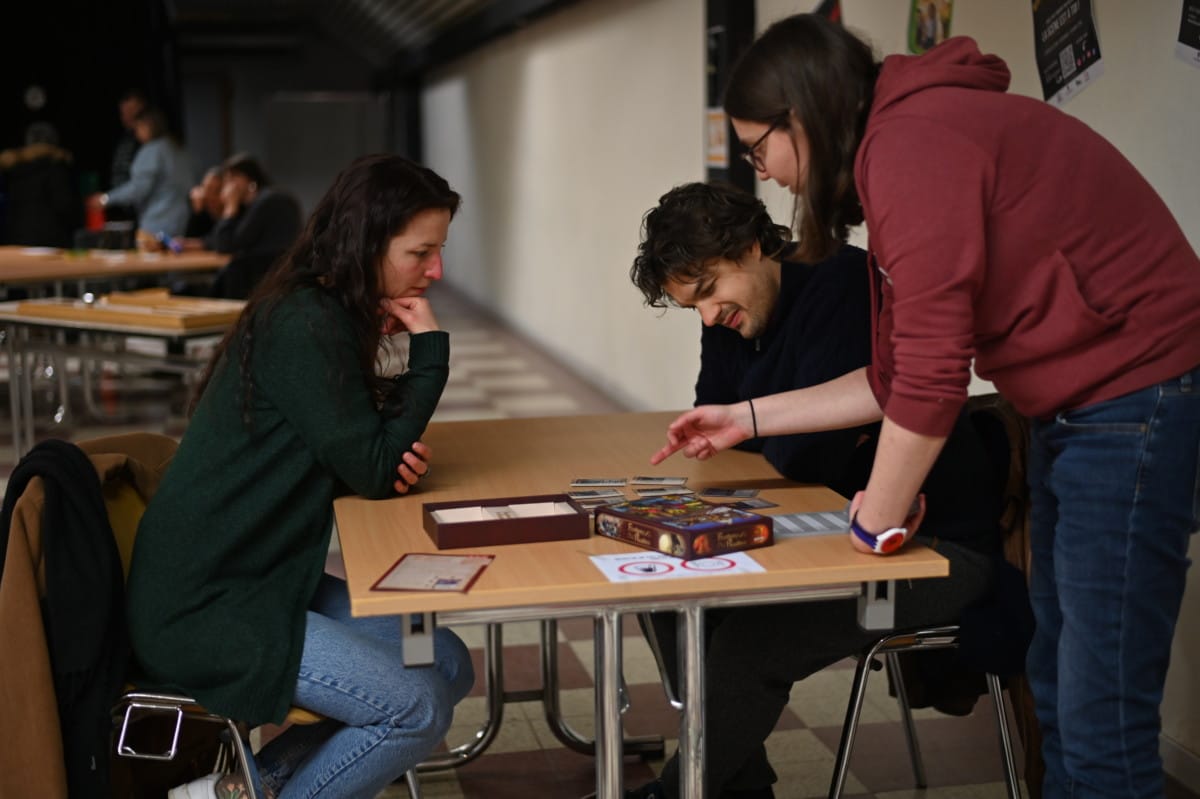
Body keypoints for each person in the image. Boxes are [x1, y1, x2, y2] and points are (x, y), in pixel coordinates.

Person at [651, 15, 1200, 799]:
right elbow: (894, 374)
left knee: (1099, 719)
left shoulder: (909, 147)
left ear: (798, 117)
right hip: (1081, 408)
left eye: (757, 148)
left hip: (1132, 396)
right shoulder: (899, 146)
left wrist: (875, 518)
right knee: (1062, 688)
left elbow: (932, 378)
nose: (761, 171)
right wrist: (747, 418)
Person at [626, 180, 1007, 799]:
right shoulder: (733, 313)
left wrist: (767, 425)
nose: (708, 315)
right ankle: (735, 789)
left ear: (752, 247)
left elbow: (804, 455)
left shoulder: (840, 283)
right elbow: (725, 416)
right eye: (692, 306)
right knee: (671, 592)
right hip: (835, 531)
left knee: (748, 643)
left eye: (709, 291)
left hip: (934, 551)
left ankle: (683, 792)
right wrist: (783, 425)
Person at [125, 153, 475, 799]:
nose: (436, 270)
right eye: (421, 252)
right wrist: (429, 354)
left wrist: (383, 451)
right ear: (367, 242)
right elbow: (374, 469)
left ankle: (242, 789)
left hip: (267, 577)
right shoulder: (304, 320)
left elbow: (361, 456)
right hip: (211, 607)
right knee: (416, 707)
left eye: (439, 251)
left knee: (445, 659)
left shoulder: (327, 310)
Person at [200, 153, 303, 298]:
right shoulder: (256, 203)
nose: (228, 187)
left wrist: (230, 207)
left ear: (249, 178)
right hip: (270, 276)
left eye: (231, 179)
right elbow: (219, 240)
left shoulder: (267, 201)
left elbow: (226, 245)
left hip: (265, 280)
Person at [91, 106, 193, 239]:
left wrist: (106, 199)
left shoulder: (152, 150)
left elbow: (139, 188)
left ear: (148, 126)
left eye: (138, 128)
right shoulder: (179, 148)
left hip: (156, 223)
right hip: (182, 222)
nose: (136, 133)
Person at [0, 121, 78, 248]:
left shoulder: (13, 169)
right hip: (51, 241)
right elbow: (64, 205)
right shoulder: (55, 168)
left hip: (16, 239)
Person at [180, 165, 225, 242]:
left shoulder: (233, 216)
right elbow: (188, 240)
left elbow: (220, 242)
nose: (209, 196)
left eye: (216, 191)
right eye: (206, 189)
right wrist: (197, 212)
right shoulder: (202, 211)